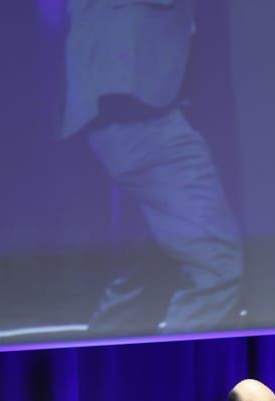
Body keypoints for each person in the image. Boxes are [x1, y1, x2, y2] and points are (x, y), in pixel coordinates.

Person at [64, 0, 245, 335]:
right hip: (139, 115)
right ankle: (175, 378)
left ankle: (105, 375)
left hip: (126, 112)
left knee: (141, 275)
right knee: (217, 264)